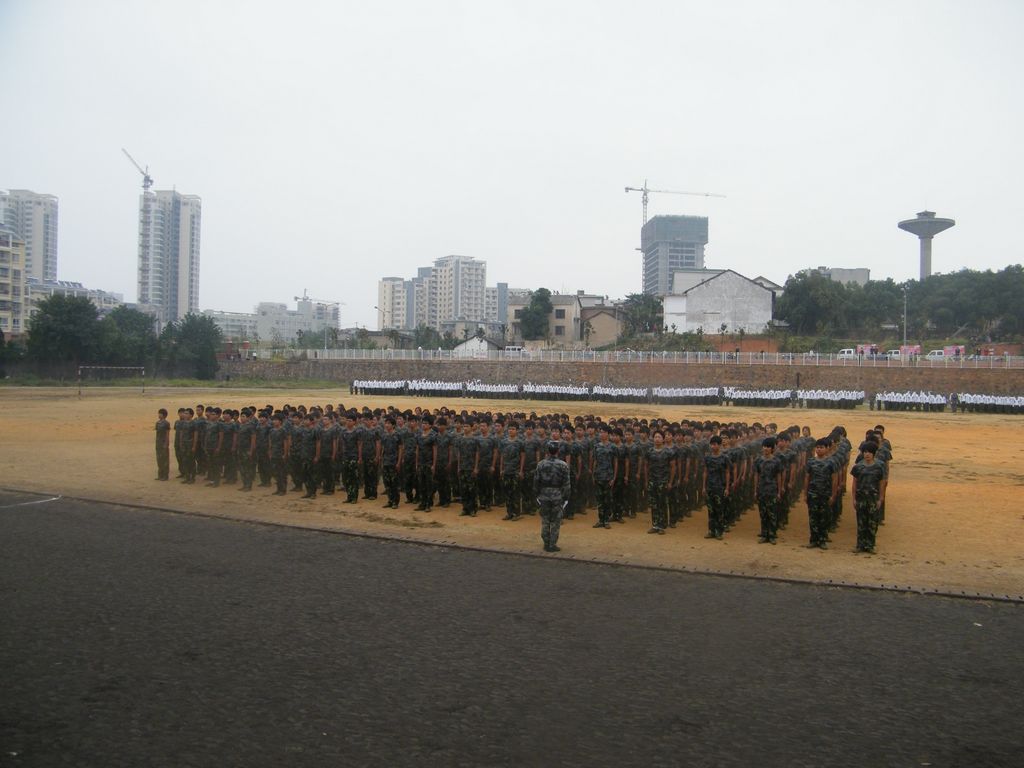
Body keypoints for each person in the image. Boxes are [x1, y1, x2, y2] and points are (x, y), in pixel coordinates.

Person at [850, 441, 886, 553]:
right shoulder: (858, 467)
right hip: (861, 499)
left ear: (874, 453)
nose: (867, 454)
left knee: (872, 523)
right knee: (861, 522)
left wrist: (880, 498)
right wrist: (854, 499)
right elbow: (854, 483)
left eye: (869, 452)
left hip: (873, 499)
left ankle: (870, 545)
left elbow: (881, 483)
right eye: (865, 452)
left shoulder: (879, 467)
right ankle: (860, 545)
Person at [534, 440, 571, 552]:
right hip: (557, 495)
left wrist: (537, 495)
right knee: (556, 521)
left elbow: (536, 481)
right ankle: (552, 544)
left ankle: (546, 542)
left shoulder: (540, 464)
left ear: (547, 451)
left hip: (544, 495)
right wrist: (566, 497)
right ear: (558, 451)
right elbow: (567, 484)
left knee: (545, 519)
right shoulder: (563, 465)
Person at [804, 437, 836, 549]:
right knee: (813, 518)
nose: (819, 449)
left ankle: (822, 540)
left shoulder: (831, 462)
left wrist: (833, 495)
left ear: (827, 448)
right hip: (813, 494)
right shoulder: (811, 461)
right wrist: (805, 493)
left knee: (823, 518)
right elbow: (807, 478)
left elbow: (834, 479)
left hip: (825, 494)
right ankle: (813, 540)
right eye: (817, 447)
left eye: (821, 447)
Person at [753, 437, 783, 544]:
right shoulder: (758, 460)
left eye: (768, 447)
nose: (765, 448)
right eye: (764, 446)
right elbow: (756, 475)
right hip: (761, 490)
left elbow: (779, 476)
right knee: (763, 513)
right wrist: (755, 490)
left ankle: (772, 535)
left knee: (772, 513)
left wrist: (779, 491)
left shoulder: (776, 461)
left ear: (772, 448)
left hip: (772, 490)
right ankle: (764, 534)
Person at [155, 408, 171, 481]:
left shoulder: (166, 423)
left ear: (164, 415)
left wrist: (166, 443)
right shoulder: (157, 423)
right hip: (158, 443)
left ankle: (165, 475)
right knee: (159, 459)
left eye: (160, 413)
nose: (159, 415)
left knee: (165, 460)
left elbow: (167, 434)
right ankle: (160, 475)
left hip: (163, 442)